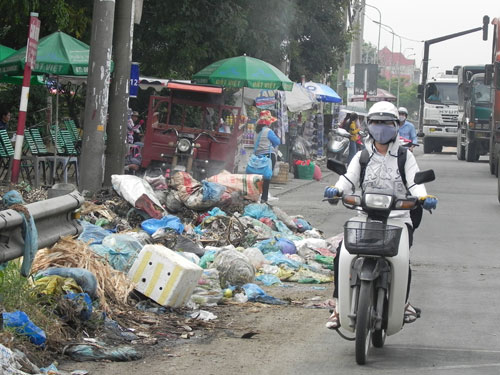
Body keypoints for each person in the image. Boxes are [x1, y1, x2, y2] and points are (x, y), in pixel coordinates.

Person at [323, 101, 438, 329]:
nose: (381, 127)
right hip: (365, 217)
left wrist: (423, 197)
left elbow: (415, 182)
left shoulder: (405, 157)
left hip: (398, 218)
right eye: (376, 122)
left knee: (402, 260)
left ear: (396, 126)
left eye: (387, 123)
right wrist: (336, 190)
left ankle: (403, 304)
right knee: (341, 255)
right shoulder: (363, 156)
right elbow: (349, 178)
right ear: (369, 125)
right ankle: (338, 306)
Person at [254, 110, 281, 203]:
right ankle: (264, 198)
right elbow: (277, 142)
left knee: (258, 178)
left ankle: (256, 196)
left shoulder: (257, 131)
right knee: (266, 178)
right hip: (268, 156)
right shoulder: (268, 131)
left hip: (257, 156)